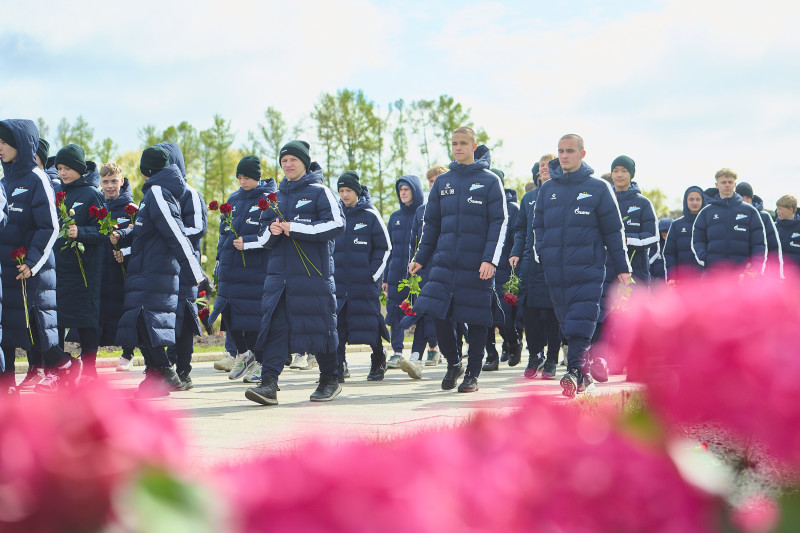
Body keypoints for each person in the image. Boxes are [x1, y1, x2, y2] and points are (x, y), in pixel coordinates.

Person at [242, 140, 344, 405]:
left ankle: (329, 380)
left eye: (293, 160)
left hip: (313, 276)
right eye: (283, 161)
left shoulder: (320, 191)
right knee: (274, 328)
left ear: (304, 163)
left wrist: (295, 228)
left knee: (319, 327)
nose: (287, 165)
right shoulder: (272, 198)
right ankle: (269, 384)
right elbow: (262, 239)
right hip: (279, 278)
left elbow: (336, 224)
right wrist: (272, 232)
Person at [409, 127, 508, 393]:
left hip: (478, 266)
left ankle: (472, 375)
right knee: (437, 313)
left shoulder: (489, 181)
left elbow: (499, 223)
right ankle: (454, 363)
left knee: (477, 320)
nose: (458, 148)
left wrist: (490, 259)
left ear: (474, 146)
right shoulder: (443, 182)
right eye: (454, 143)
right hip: (444, 264)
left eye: (463, 143)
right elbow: (431, 224)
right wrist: (420, 258)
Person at [532, 134, 631, 398]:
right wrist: (541, 251)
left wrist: (622, 266)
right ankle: (584, 373)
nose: (564, 156)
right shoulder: (547, 189)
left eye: (570, 151)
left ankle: (574, 371)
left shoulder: (598, 188)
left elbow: (614, 229)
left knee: (582, 318)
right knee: (567, 322)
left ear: (582, 154)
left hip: (588, 267)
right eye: (561, 151)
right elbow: (537, 226)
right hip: (555, 268)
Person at [111, 146, 204, 398]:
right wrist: (122, 234)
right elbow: (146, 231)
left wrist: (196, 272)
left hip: (155, 273)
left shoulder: (157, 193)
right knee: (141, 325)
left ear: (145, 170)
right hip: (145, 270)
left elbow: (176, 232)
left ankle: (165, 372)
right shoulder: (154, 193)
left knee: (143, 322)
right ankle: (154, 379)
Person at [0, 119, 76, 395]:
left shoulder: (37, 178)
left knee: (39, 332)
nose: (0, 147)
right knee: (6, 333)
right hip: (7, 271)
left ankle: (66, 365)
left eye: (5, 142)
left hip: (33, 271)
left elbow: (50, 226)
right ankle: (7, 391)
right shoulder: (4, 181)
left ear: (21, 144)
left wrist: (31, 262)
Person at [208, 155, 275, 384]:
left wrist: (248, 243)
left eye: (247, 177)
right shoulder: (233, 198)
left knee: (252, 317)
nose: (242, 181)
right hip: (230, 265)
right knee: (226, 311)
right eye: (239, 177)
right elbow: (224, 233)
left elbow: (269, 234)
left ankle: (259, 361)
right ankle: (243, 353)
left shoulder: (268, 199)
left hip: (255, 269)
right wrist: (218, 260)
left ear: (256, 177)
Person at [53, 144, 105, 383]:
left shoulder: (92, 194)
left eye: (67, 168)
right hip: (60, 268)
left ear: (79, 168)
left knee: (86, 319)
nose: (63, 173)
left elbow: (104, 231)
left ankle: (90, 370)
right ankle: (61, 368)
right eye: (60, 168)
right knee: (58, 320)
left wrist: (81, 232)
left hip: (85, 270)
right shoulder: (56, 194)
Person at [157, 143, 208, 389]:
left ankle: (184, 372)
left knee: (185, 321)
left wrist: (170, 234)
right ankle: (167, 368)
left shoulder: (190, 193)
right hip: (164, 268)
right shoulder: (158, 192)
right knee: (167, 319)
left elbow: (198, 228)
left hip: (186, 269)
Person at [332, 171, 391, 382]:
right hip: (339, 285)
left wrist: (372, 275)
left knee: (369, 323)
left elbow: (385, 248)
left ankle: (378, 359)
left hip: (365, 284)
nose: (344, 195)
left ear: (356, 191)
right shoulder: (335, 214)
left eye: (348, 190)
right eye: (341, 191)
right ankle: (337, 366)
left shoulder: (370, 215)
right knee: (338, 326)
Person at [510, 153, 561, 379]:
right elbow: (520, 229)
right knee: (529, 315)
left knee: (552, 315)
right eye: (541, 165)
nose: (544, 168)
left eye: (549, 165)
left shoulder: (562, 194)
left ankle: (551, 359)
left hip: (554, 264)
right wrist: (515, 253)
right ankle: (534, 356)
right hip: (530, 266)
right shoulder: (528, 197)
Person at [397, 164, 446, 379]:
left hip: (448, 271)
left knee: (447, 319)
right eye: (431, 182)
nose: (433, 186)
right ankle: (416, 357)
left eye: (437, 181)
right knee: (424, 313)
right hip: (425, 272)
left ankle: (460, 355)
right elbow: (414, 243)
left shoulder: (456, 210)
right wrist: (413, 265)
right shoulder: (421, 212)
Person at [95, 163, 138, 371]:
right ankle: (90, 351)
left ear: (122, 181)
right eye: (105, 182)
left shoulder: (132, 210)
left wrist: (125, 253)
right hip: (101, 269)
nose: (110, 186)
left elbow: (139, 241)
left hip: (124, 270)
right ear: (100, 183)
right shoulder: (96, 207)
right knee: (99, 310)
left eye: (114, 181)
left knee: (125, 309)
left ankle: (128, 352)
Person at [382, 174, 424, 369]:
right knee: (395, 313)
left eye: (407, 189)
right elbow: (388, 250)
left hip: (418, 275)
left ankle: (431, 349)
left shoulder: (424, 215)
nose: (403, 193)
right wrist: (385, 278)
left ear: (415, 191)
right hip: (395, 275)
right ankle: (397, 352)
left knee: (422, 312)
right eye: (400, 190)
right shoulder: (394, 218)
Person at [482, 168, 522, 371]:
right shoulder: (478, 206)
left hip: (505, 271)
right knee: (482, 315)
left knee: (503, 315)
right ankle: (491, 355)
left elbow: (518, 237)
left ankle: (513, 343)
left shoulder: (512, 209)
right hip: (480, 268)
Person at [691, 169, 767, 273]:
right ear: (717, 185)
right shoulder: (706, 212)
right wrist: (705, 258)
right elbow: (697, 240)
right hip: (713, 272)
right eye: (723, 182)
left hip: (742, 273)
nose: (727, 185)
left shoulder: (750, 211)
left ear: (735, 184)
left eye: (730, 182)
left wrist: (756, 265)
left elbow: (758, 243)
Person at [736, 181, 783, 277]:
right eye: (741, 197)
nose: (744, 201)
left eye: (747, 198)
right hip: (735, 271)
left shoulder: (764, 217)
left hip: (758, 272)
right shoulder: (729, 215)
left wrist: (777, 274)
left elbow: (774, 247)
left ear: (752, 199)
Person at [663, 186, 707, 281]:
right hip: (682, 280)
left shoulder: (709, 224)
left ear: (702, 201)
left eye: (698, 199)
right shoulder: (676, 225)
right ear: (686, 201)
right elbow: (669, 253)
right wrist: (672, 277)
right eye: (691, 199)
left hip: (705, 280)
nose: (694, 202)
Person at [775, 195, 800, 274]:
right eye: (777, 208)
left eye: (780, 209)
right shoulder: (773, 227)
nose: (777, 211)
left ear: (791, 210)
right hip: (776, 276)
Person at [649, 218, 673, 282]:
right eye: (663, 231)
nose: (665, 233)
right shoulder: (655, 247)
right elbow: (649, 266)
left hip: (675, 283)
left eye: (668, 230)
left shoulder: (678, 246)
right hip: (657, 284)